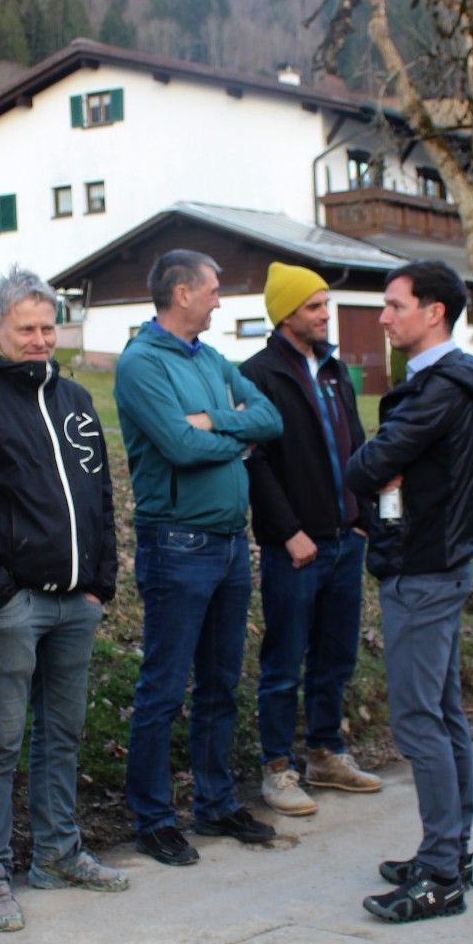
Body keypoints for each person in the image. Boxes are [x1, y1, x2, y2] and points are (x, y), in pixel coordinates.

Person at [0, 268, 126, 934]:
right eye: (26, 329)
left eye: (47, 327)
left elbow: (99, 496)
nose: (40, 339)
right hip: (11, 609)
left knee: (62, 734)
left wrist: (100, 584)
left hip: (75, 605)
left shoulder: (75, 400)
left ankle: (57, 852)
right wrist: (0, 596)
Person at [345, 260, 473, 923]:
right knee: (442, 713)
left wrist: (380, 467)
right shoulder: (458, 381)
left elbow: (366, 466)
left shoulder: (439, 390)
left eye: (393, 305)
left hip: (423, 564)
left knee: (420, 719)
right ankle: (450, 850)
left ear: (434, 311)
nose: (383, 317)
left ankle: (442, 871)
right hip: (438, 558)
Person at [114, 250, 283, 866]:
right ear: (182, 294)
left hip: (233, 544)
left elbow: (269, 418)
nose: (219, 300)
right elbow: (179, 448)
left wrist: (216, 419)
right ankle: (153, 817)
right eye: (213, 290)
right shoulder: (140, 365)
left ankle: (215, 802)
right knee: (164, 686)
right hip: (177, 545)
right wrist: (226, 433)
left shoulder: (210, 359)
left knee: (220, 682)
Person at [240, 263, 381, 818]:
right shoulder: (258, 375)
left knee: (336, 656)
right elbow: (258, 464)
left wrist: (364, 511)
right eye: (315, 307)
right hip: (296, 547)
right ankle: (277, 767)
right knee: (283, 661)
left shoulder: (334, 371)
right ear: (287, 314)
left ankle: (326, 752)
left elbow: (359, 444)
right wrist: (288, 532)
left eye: (327, 304)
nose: (327, 315)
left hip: (346, 540)